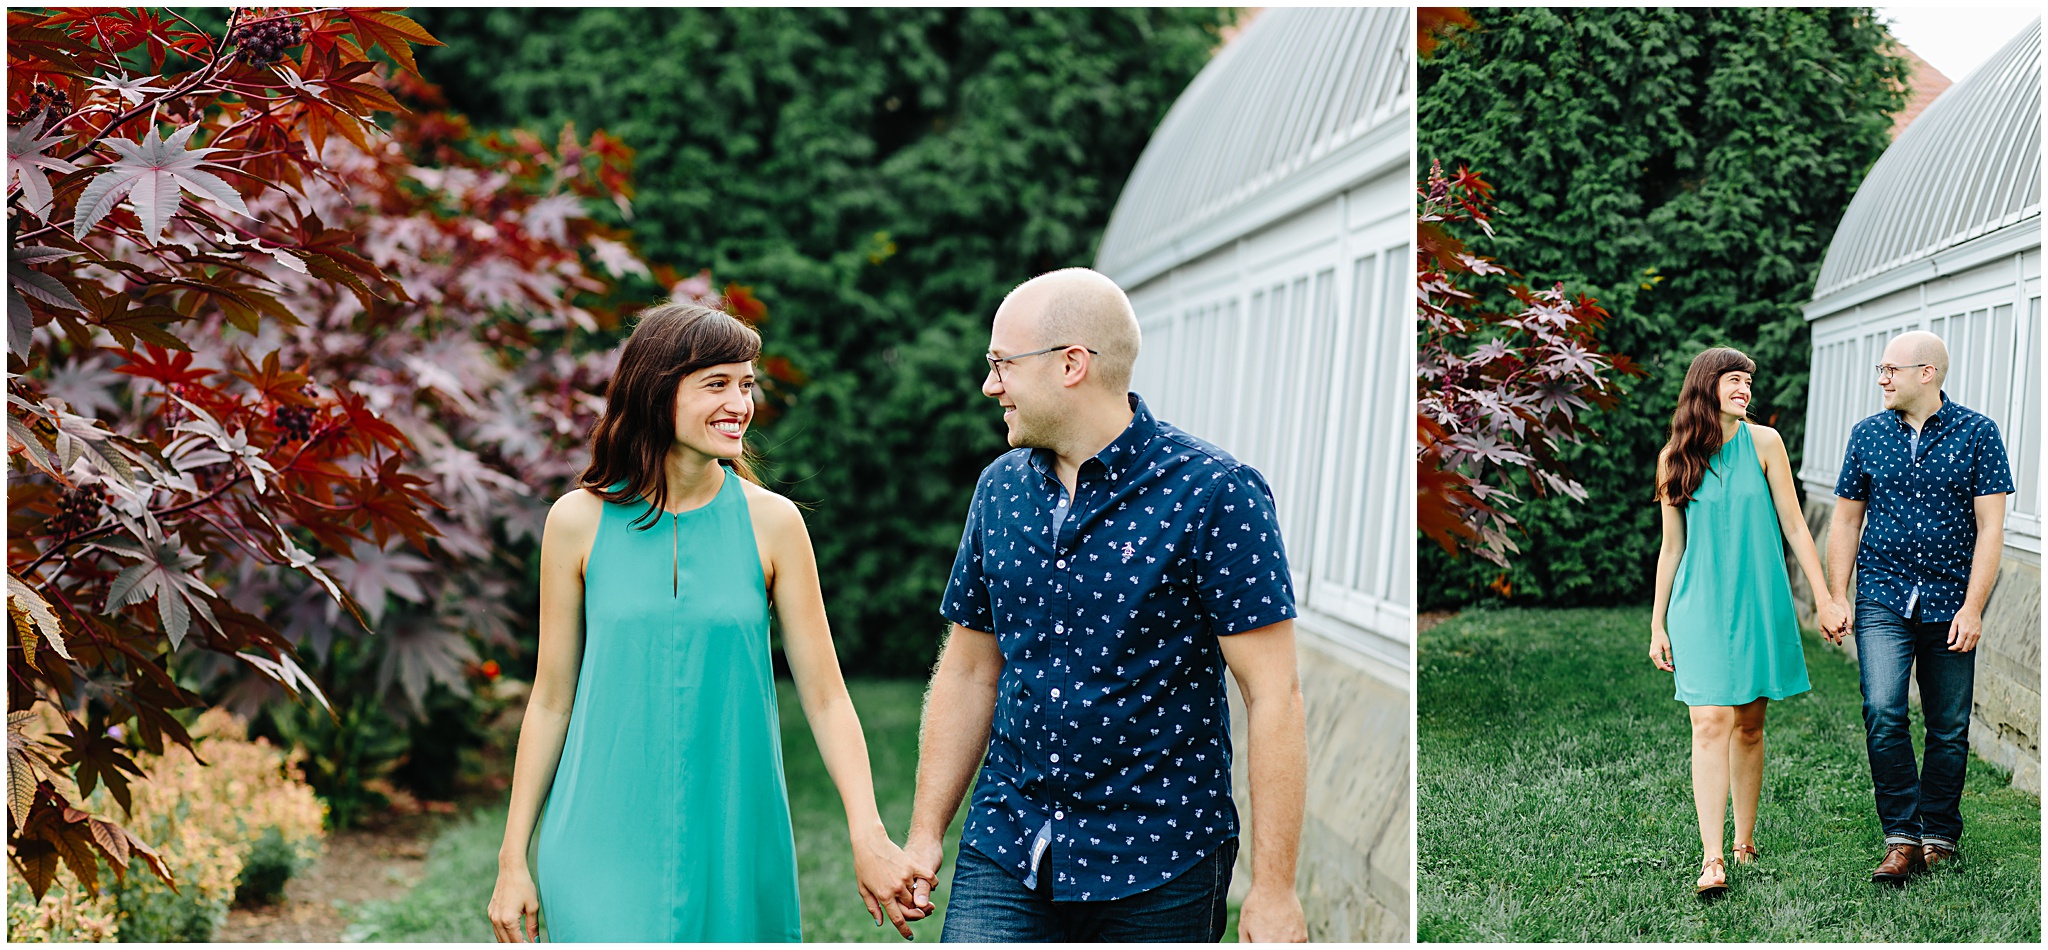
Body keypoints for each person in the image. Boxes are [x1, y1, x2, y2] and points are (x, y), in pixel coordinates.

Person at [888, 268, 1310, 942]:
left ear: (1072, 364)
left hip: (1161, 864)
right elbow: (969, 670)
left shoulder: (1216, 494)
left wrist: (1275, 888)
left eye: (1002, 364)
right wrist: (923, 834)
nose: (990, 385)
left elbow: (1273, 694)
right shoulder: (998, 491)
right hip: (1008, 844)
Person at [484, 303, 923, 942]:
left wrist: (868, 832)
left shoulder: (774, 523)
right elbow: (551, 700)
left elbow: (827, 700)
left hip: (738, 835)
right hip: (597, 837)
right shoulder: (574, 522)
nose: (739, 403)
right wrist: (512, 858)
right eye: (716, 384)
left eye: (746, 384)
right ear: (656, 392)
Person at [1649, 346, 1846, 897]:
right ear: (1705, 386)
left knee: (1750, 724)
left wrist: (1828, 599)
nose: (1745, 390)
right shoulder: (1675, 458)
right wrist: (1658, 623)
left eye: (1748, 383)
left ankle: (1744, 839)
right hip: (1699, 605)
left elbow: (1796, 527)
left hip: (1760, 599)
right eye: (1734, 381)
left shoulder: (1765, 443)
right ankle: (1712, 858)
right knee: (1709, 721)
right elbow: (1670, 550)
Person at [1823, 330, 2012, 884]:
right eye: (1881, 370)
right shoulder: (1866, 435)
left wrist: (1974, 608)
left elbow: (1991, 528)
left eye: (1890, 370)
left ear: (1926, 373)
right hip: (1882, 595)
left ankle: (1940, 835)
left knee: (1949, 726)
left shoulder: (1979, 433)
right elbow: (1845, 520)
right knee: (1883, 711)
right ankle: (1902, 839)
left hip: (1952, 599)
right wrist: (1839, 594)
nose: (1881, 379)